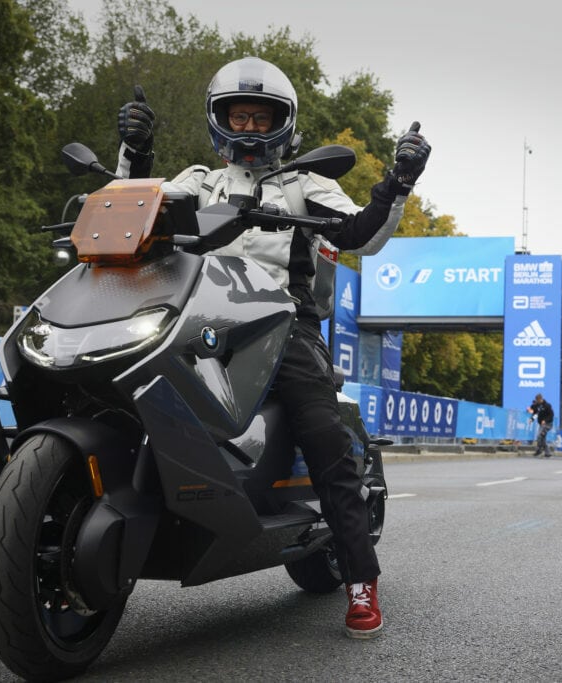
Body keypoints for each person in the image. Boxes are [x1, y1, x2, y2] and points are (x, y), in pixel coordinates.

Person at [116, 57, 431, 639]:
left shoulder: (306, 185)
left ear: (282, 125)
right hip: (196, 316)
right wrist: (135, 153)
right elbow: (129, 210)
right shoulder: (200, 180)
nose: (250, 128)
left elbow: (364, 234)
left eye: (262, 118)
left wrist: (399, 182)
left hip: (283, 323)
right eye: (240, 115)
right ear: (219, 120)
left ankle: (361, 582)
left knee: (323, 435)